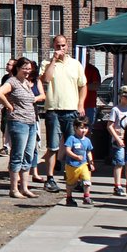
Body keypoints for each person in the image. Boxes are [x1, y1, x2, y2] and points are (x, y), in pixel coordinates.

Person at [39, 34, 86, 193]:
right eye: (58, 46)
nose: (61, 48)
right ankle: (50, 178)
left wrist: (80, 104)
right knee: (53, 146)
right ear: (54, 46)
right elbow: (46, 79)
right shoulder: (47, 63)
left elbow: (83, 85)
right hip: (53, 110)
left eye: (63, 45)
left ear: (67, 46)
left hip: (71, 110)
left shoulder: (75, 64)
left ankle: (75, 177)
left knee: (74, 145)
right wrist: (53, 60)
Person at [0, 57, 45, 199]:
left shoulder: (26, 83)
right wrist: (9, 106)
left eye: (29, 69)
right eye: (25, 69)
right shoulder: (13, 82)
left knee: (28, 155)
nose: (28, 71)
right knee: (17, 155)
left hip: (30, 123)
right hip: (18, 123)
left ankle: (25, 188)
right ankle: (14, 189)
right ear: (18, 68)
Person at [107, 85, 127, 196]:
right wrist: (116, 138)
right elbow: (110, 126)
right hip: (119, 140)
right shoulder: (116, 110)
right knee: (119, 162)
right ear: (121, 96)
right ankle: (117, 185)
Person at [62, 118, 95, 206]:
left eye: (85, 128)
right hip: (72, 166)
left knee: (87, 180)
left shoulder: (87, 140)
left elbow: (88, 152)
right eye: (81, 128)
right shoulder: (71, 138)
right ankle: (69, 198)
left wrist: (91, 163)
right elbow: (67, 150)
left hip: (83, 164)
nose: (84, 130)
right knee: (71, 183)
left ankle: (86, 197)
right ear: (75, 128)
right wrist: (75, 157)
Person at [0, 58, 17, 156]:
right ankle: (5, 147)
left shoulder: (17, 79)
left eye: (9, 64)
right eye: (7, 64)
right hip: (5, 106)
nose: (7, 66)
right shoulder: (5, 78)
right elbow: (0, 91)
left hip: (15, 106)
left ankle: (13, 146)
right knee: (4, 127)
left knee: (13, 127)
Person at [83, 57, 101, 129]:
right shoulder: (73, 68)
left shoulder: (93, 70)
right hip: (74, 105)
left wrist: (81, 87)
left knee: (88, 128)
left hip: (89, 105)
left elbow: (96, 86)